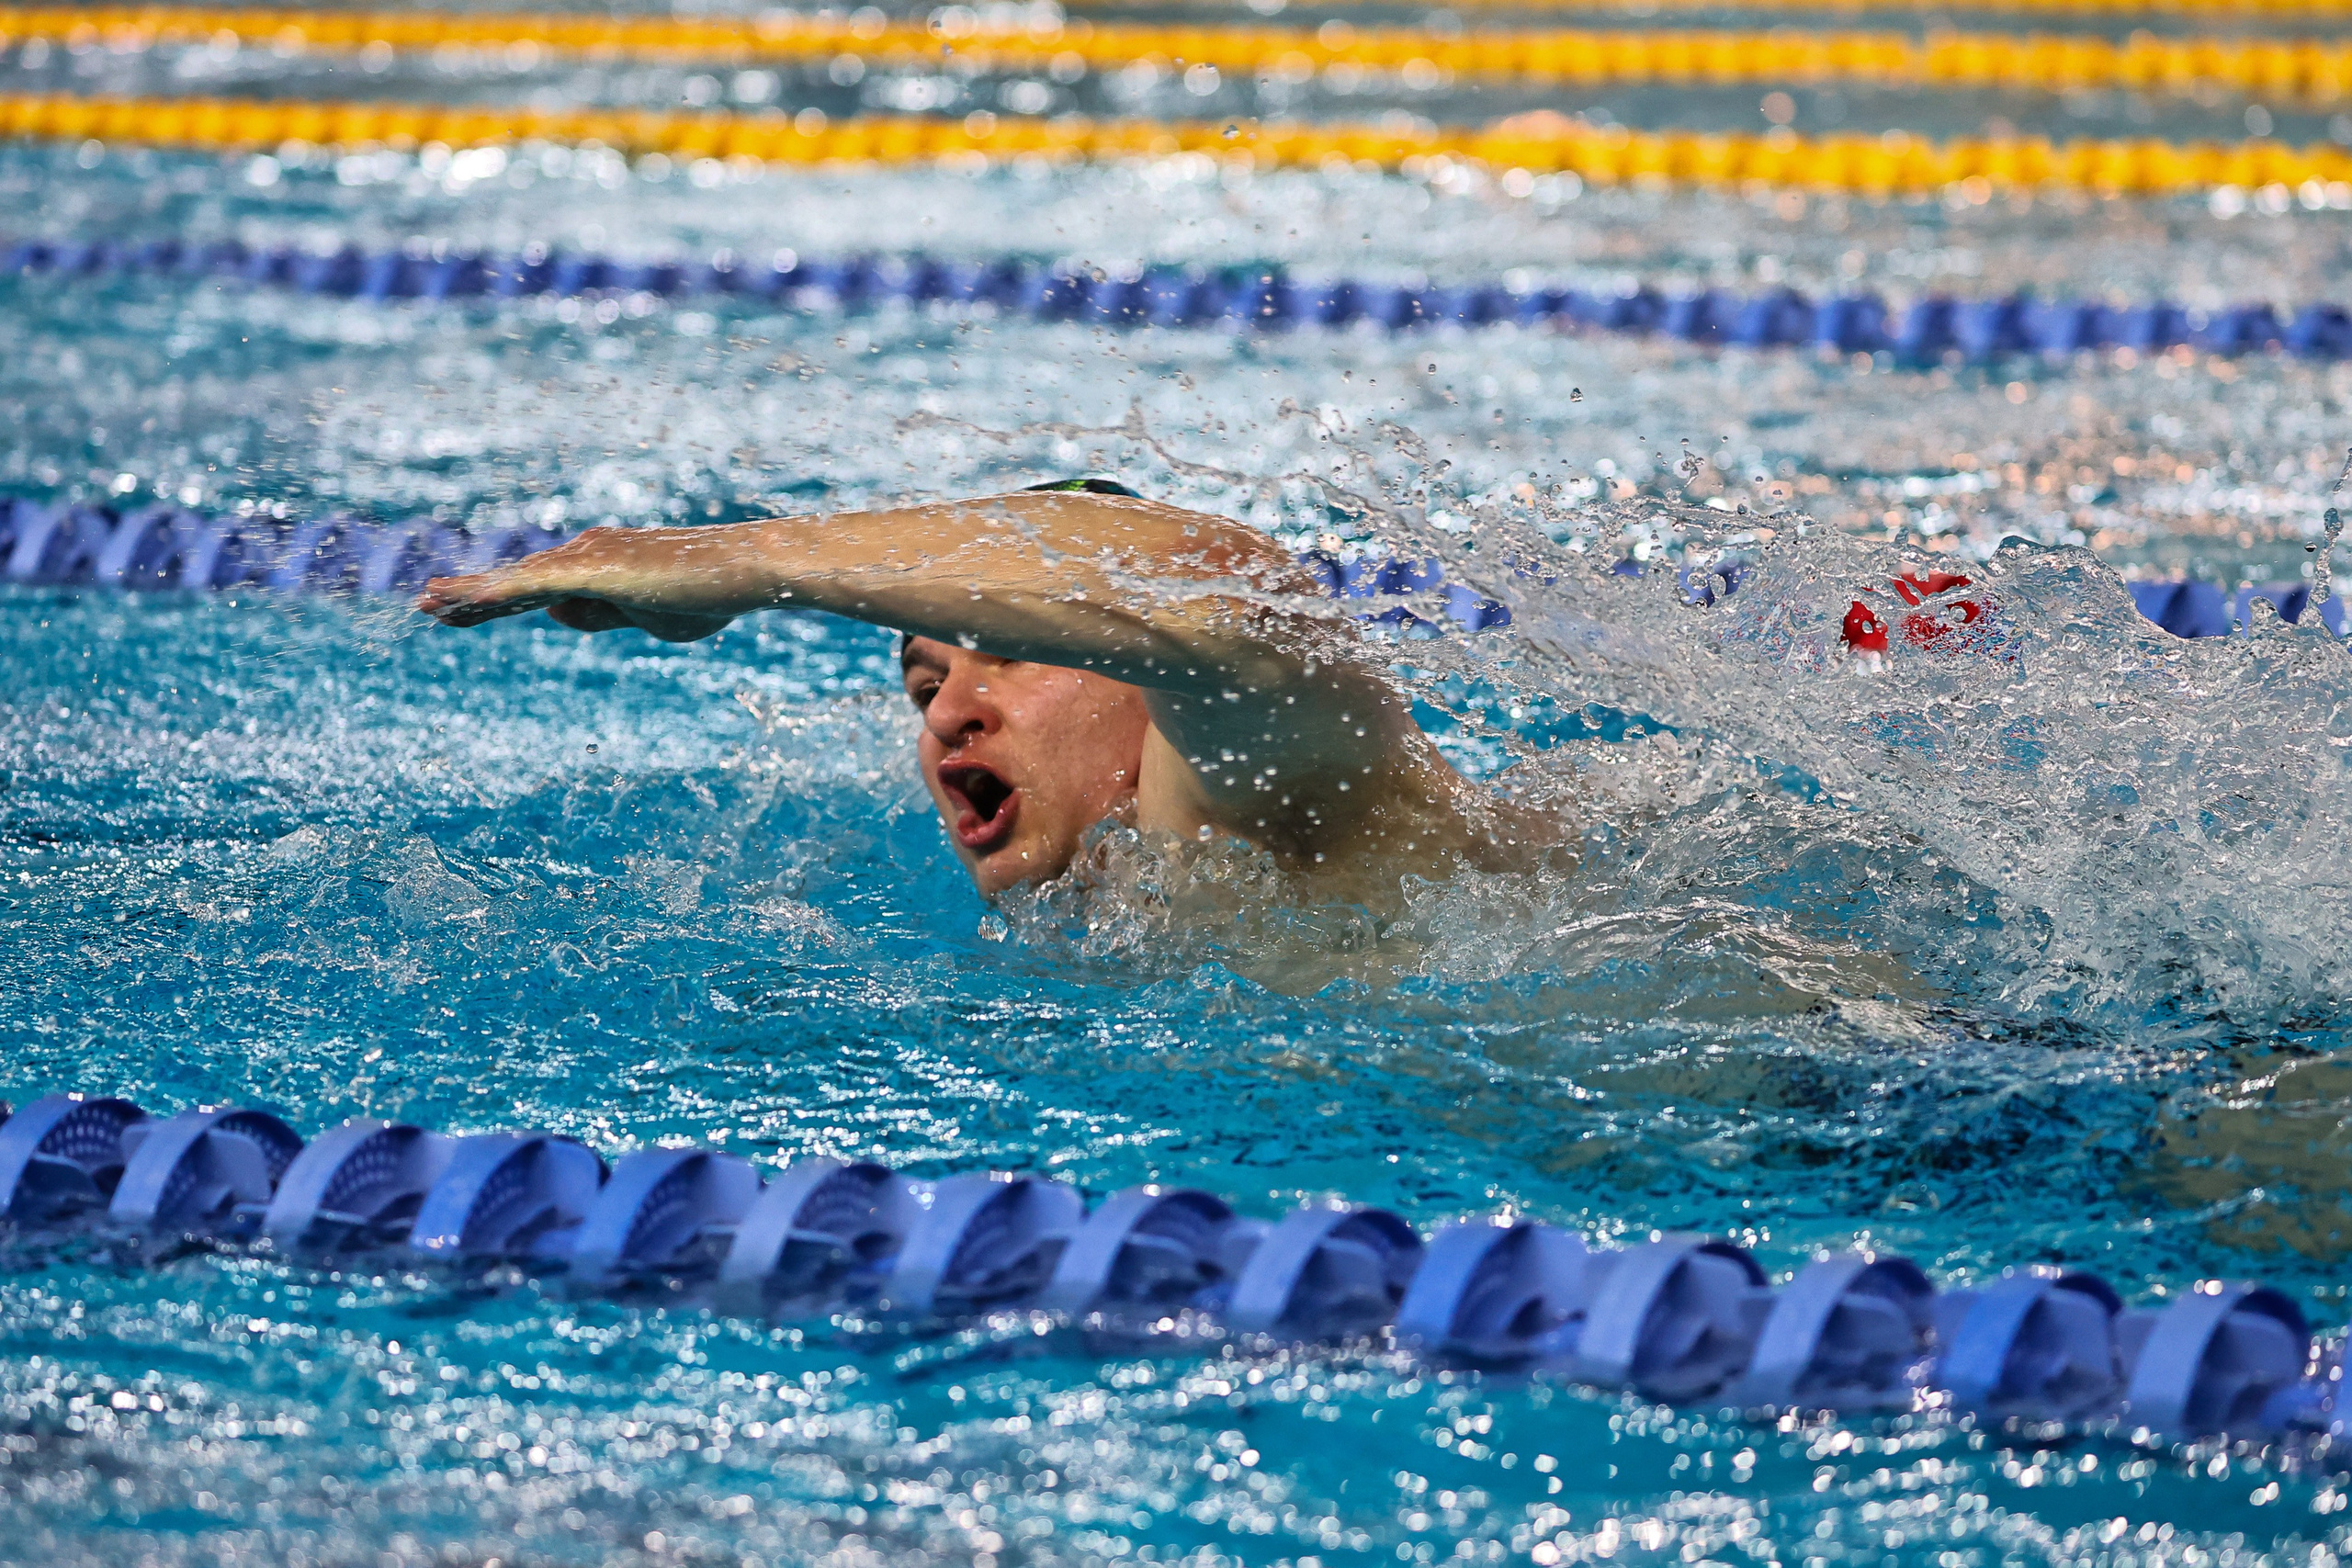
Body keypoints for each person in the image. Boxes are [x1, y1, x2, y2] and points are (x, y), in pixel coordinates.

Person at [416, 482, 1560, 904]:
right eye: (924, 680)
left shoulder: (1268, 786)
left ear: (1141, 678)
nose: (947, 710)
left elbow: (1227, 599)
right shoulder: (1115, 908)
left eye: (1003, 655)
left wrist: (752, 564)